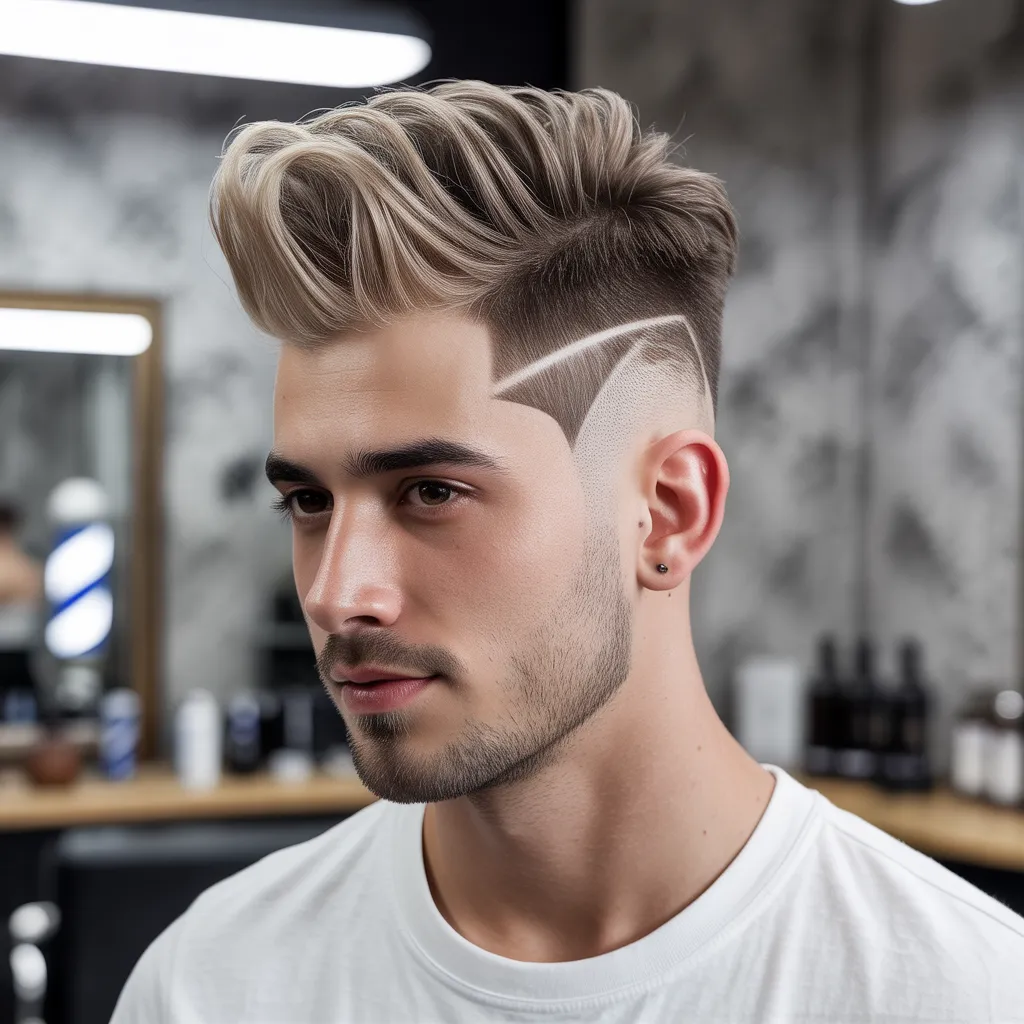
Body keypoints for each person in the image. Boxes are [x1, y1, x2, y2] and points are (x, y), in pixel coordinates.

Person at [112, 82, 1024, 1022]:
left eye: (432, 493)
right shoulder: (207, 985)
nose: (338, 594)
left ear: (668, 514)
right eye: (307, 500)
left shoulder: (964, 994)